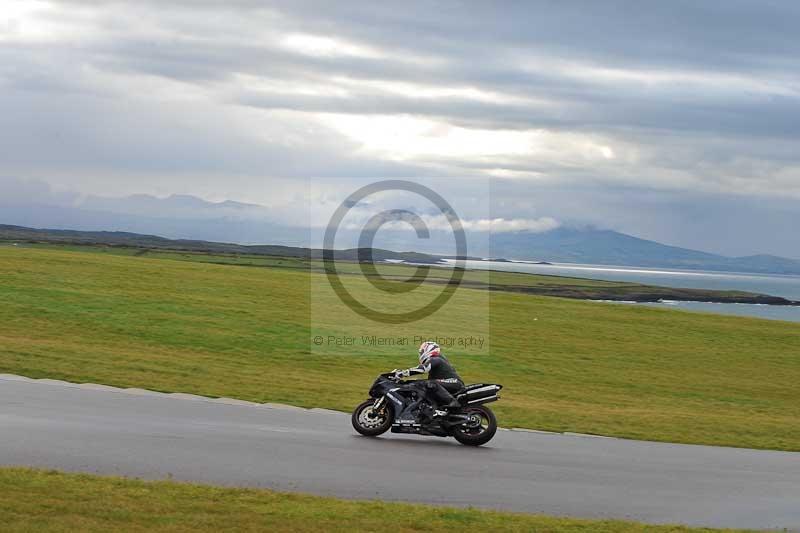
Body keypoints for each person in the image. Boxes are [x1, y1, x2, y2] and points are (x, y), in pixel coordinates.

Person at [393, 341, 464, 412]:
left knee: (430, 383)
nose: (420, 354)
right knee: (422, 383)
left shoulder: (436, 359)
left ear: (428, 350)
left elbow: (423, 369)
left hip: (455, 382)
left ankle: (453, 402)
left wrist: (402, 373)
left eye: (422, 352)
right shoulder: (435, 360)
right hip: (450, 383)